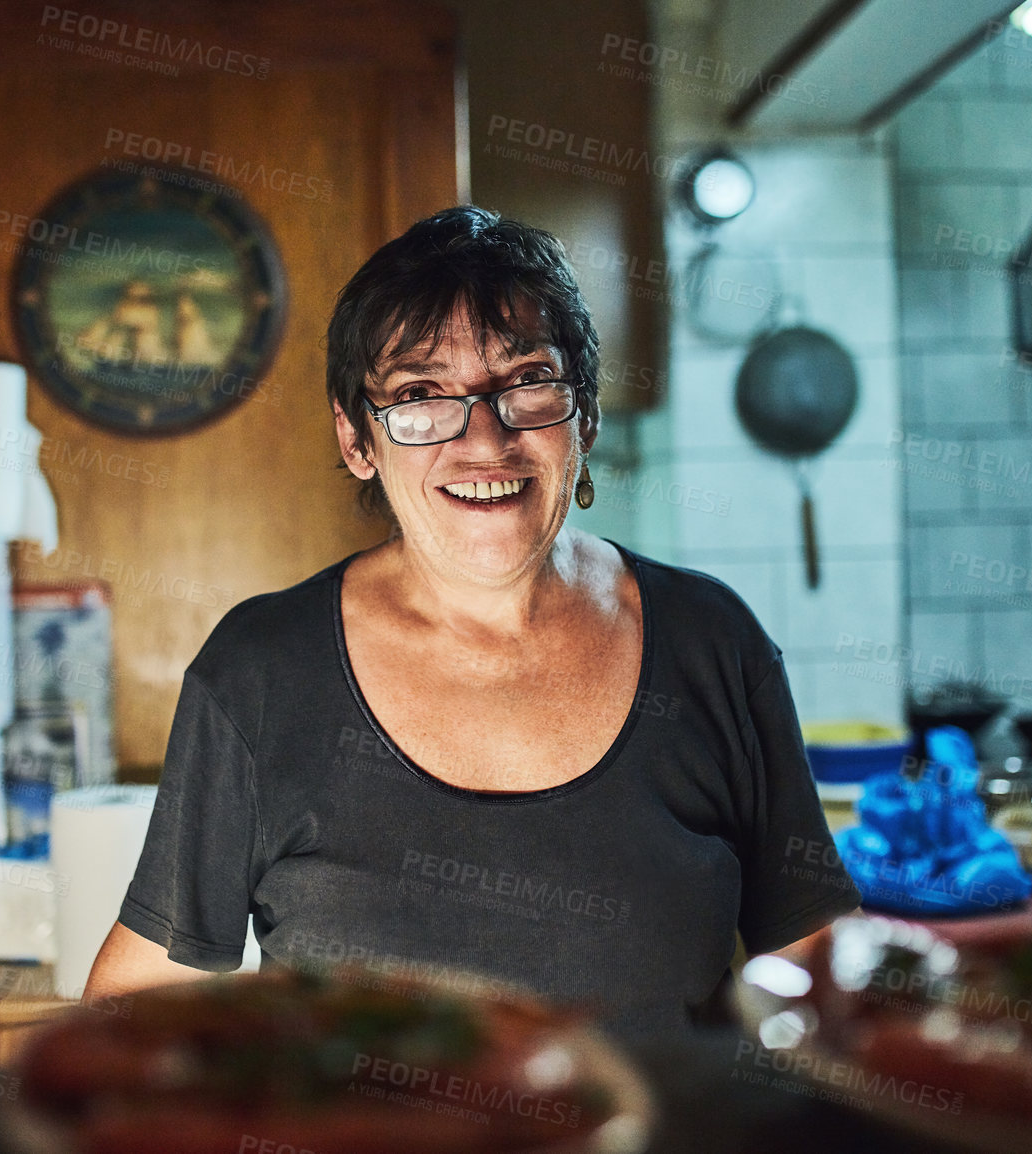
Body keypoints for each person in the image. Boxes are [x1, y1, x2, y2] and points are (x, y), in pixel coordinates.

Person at [84, 205, 860, 1034]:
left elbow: (820, 968)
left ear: (585, 416)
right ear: (358, 439)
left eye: (527, 381)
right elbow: (131, 1010)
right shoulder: (262, 670)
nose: (484, 442)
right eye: (420, 395)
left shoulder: (713, 642)